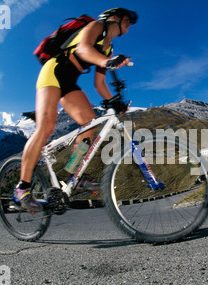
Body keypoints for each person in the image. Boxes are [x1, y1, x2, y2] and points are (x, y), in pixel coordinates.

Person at [15, 8, 138, 212]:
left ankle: (75, 174)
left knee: (89, 124)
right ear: (114, 18)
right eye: (128, 19)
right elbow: (82, 49)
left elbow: (100, 84)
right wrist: (107, 62)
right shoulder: (97, 26)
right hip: (54, 71)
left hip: (69, 83)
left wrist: (114, 101)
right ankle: (22, 189)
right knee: (46, 127)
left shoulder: (108, 50)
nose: (131, 23)